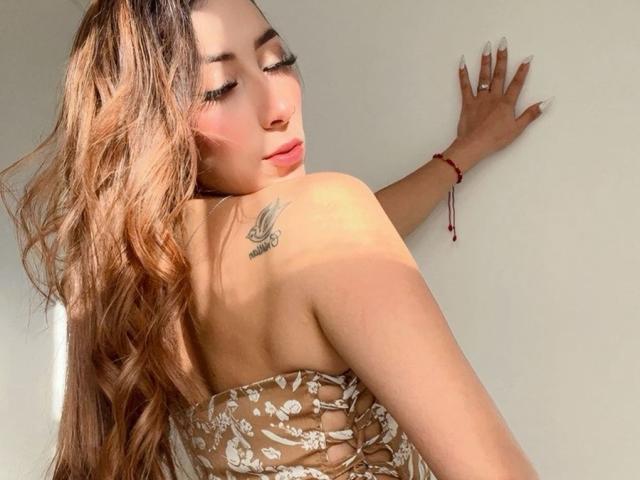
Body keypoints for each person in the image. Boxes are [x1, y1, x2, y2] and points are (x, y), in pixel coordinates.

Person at [0, 0, 550, 479]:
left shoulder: (144, 279)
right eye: (221, 88)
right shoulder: (322, 219)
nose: (279, 107)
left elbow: (339, 244)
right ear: (156, 124)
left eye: (277, 61)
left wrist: (463, 153)